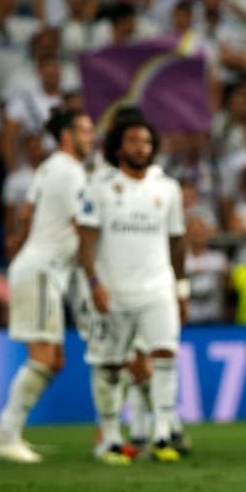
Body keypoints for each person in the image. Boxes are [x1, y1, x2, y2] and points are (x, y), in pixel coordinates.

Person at [0, 108, 93, 463]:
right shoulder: (70, 170)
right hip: (43, 270)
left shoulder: (47, 167)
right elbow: (84, 225)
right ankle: (7, 432)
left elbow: (27, 212)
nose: (91, 139)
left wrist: (24, 240)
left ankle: (4, 426)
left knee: (54, 359)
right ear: (67, 136)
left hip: (40, 267)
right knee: (44, 359)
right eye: (85, 132)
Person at [79, 110, 187, 465]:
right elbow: (86, 240)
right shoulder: (101, 186)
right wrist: (93, 282)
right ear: (118, 146)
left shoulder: (167, 188)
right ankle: (109, 438)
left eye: (146, 142)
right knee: (110, 365)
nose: (141, 148)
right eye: (133, 141)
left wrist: (180, 288)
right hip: (114, 290)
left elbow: (177, 242)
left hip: (157, 287)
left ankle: (162, 433)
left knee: (165, 354)